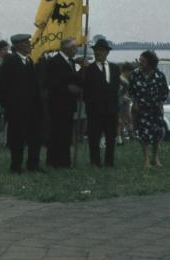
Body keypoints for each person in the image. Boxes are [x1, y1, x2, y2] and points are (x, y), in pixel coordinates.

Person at [0, 34, 44, 173]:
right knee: (17, 138)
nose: (29, 45)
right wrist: (10, 107)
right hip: (17, 110)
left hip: (32, 109)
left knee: (34, 137)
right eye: (26, 43)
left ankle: (33, 164)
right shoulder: (10, 62)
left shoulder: (29, 61)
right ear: (17, 46)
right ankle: (16, 166)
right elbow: (3, 87)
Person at [82, 39, 121, 167]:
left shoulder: (115, 69)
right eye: (96, 50)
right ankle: (95, 161)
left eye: (102, 50)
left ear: (107, 52)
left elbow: (118, 88)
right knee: (94, 137)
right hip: (94, 110)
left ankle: (109, 162)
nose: (98, 52)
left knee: (111, 137)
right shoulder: (89, 69)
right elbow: (85, 90)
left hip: (111, 110)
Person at [45, 38, 82, 168]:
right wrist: (67, 88)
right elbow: (50, 82)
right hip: (57, 104)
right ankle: (54, 161)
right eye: (74, 47)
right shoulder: (54, 62)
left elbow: (75, 79)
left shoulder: (70, 62)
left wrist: (82, 69)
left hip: (69, 104)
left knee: (66, 133)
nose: (76, 50)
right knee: (56, 133)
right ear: (67, 48)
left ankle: (64, 160)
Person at [128, 50, 168, 168]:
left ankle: (155, 158)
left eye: (143, 62)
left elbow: (164, 91)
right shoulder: (135, 74)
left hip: (156, 109)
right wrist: (134, 102)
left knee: (157, 133)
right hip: (142, 109)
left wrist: (160, 103)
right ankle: (146, 160)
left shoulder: (159, 75)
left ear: (150, 63)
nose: (140, 63)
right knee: (144, 134)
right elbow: (131, 90)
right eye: (139, 61)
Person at [117, 63, 134, 144]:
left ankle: (122, 136)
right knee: (119, 120)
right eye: (130, 72)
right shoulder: (120, 78)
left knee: (124, 120)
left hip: (126, 101)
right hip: (121, 101)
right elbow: (119, 91)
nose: (131, 74)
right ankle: (119, 137)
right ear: (126, 71)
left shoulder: (127, 79)